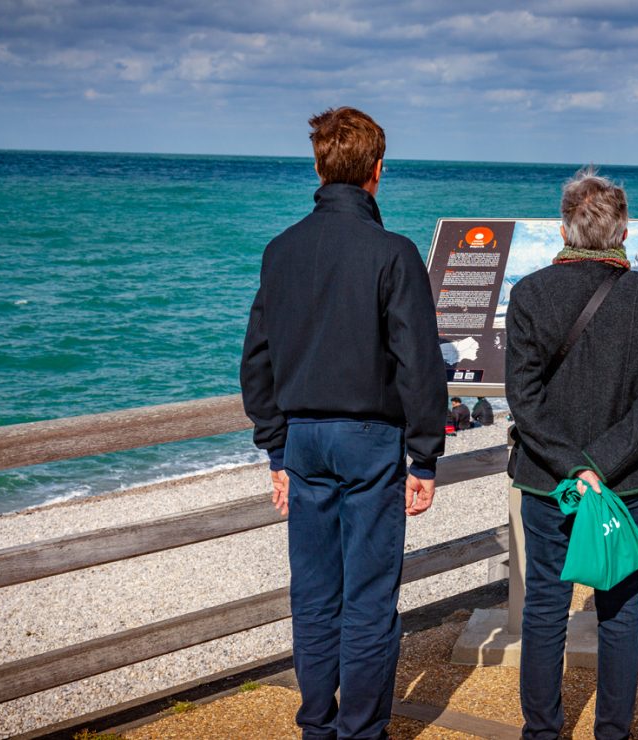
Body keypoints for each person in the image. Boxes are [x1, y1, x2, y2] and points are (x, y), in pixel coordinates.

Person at [240, 106, 448, 740]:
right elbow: (418, 364)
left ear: (317, 166)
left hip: (303, 437)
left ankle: (316, 724)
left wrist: (275, 449)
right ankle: (359, 730)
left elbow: (257, 360)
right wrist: (424, 456)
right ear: (377, 172)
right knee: (367, 598)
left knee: (314, 592)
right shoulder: (393, 253)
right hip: (369, 441)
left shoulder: (281, 251)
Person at [506, 167, 638, 740]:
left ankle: (541, 731)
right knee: (621, 613)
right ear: (622, 229)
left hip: (546, 481)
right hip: (624, 483)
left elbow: (523, 400)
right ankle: (613, 732)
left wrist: (574, 465)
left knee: (545, 609)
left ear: (564, 225)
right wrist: (600, 465)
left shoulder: (529, 293)